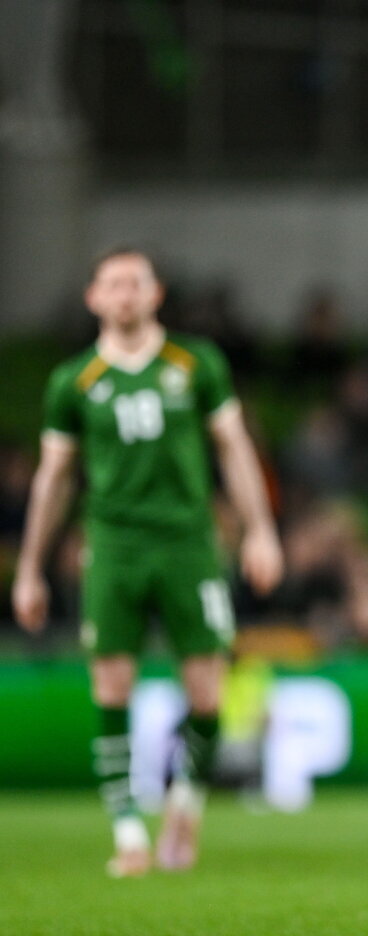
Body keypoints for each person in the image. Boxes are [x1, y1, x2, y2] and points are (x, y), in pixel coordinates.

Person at [12, 248, 284, 878]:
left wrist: (259, 532)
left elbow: (234, 447)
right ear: (94, 298)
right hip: (112, 547)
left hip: (189, 542)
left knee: (207, 693)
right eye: (112, 283)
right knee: (111, 686)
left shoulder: (195, 365)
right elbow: (54, 479)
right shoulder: (73, 381)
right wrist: (31, 565)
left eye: (135, 281)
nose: (125, 292)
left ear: (155, 293)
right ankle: (129, 831)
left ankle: (184, 809)